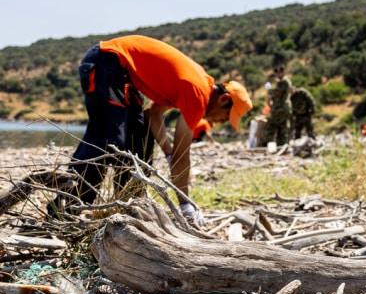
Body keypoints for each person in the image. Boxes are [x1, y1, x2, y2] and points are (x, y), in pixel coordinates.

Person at [53, 35, 252, 224]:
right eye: (226, 117)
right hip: (107, 61)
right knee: (109, 141)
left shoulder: (195, 86)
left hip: (122, 74)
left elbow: (153, 114)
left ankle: (128, 207)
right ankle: (65, 210)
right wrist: (186, 205)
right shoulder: (197, 93)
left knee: (140, 137)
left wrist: (167, 152)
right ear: (224, 100)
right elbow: (182, 157)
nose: (221, 122)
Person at [259, 66, 292, 147]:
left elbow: (278, 92)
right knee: (282, 127)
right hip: (284, 107)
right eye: (276, 73)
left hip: (280, 107)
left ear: (283, 72)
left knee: (271, 126)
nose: (277, 74)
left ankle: (264, 143)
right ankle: (281, 144)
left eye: (279, 72)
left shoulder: (283, 81)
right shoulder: (285, 81)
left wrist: (270, 91)